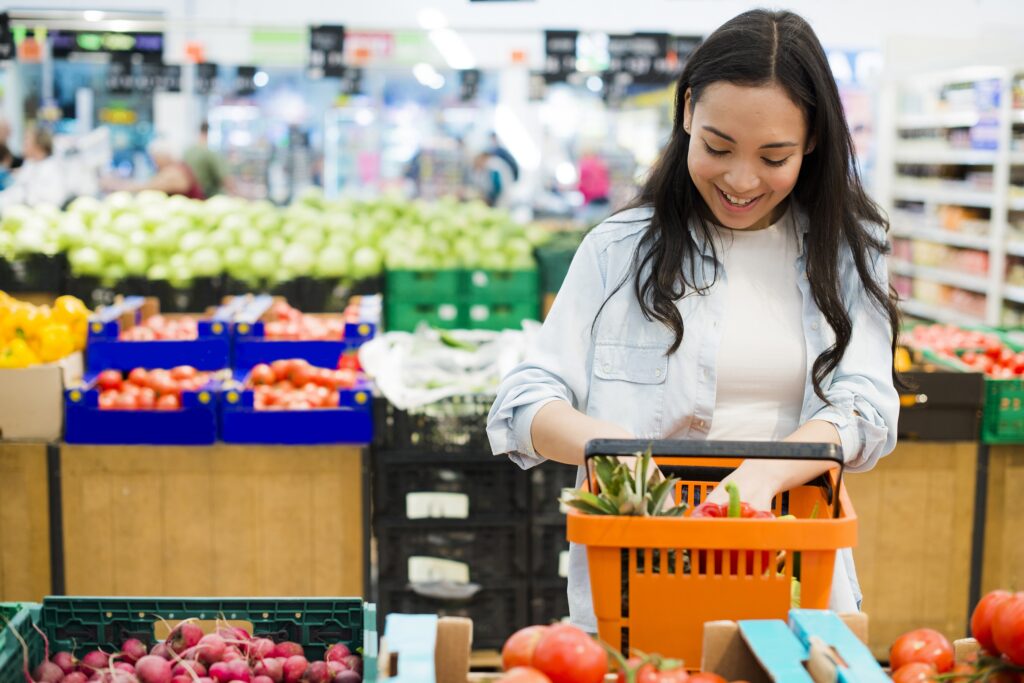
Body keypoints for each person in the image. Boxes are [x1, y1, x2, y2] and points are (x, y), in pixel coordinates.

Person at [488, 9, 900, 632]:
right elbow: (522, 403)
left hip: (791, 578)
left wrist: (760, 476)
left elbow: (868, 406)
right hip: (633, 581)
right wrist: (612, 452)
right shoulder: (618, 249)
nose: (740, 179)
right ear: (686, 116)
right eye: (717, 147)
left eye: (774, 156)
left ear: (813, 141)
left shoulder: (848, 251)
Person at [103, 138, 205, 198]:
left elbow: (150, 186)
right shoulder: (175, 169)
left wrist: (119, 186)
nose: (155, 162)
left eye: (155, 158)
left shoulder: (175, 172)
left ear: (165, 156)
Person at [0, 125, 71, 207]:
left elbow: (54, 199)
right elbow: (14, 192)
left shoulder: (52, 168)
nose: (24, 143)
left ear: (39, 144)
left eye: (27, 139)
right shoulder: (29, 165)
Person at [183, 121, 230, 197]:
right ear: (208, 133)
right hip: (209, 197)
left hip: (191, 196)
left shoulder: (187, 152)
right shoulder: (210, 153)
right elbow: (225, 179)